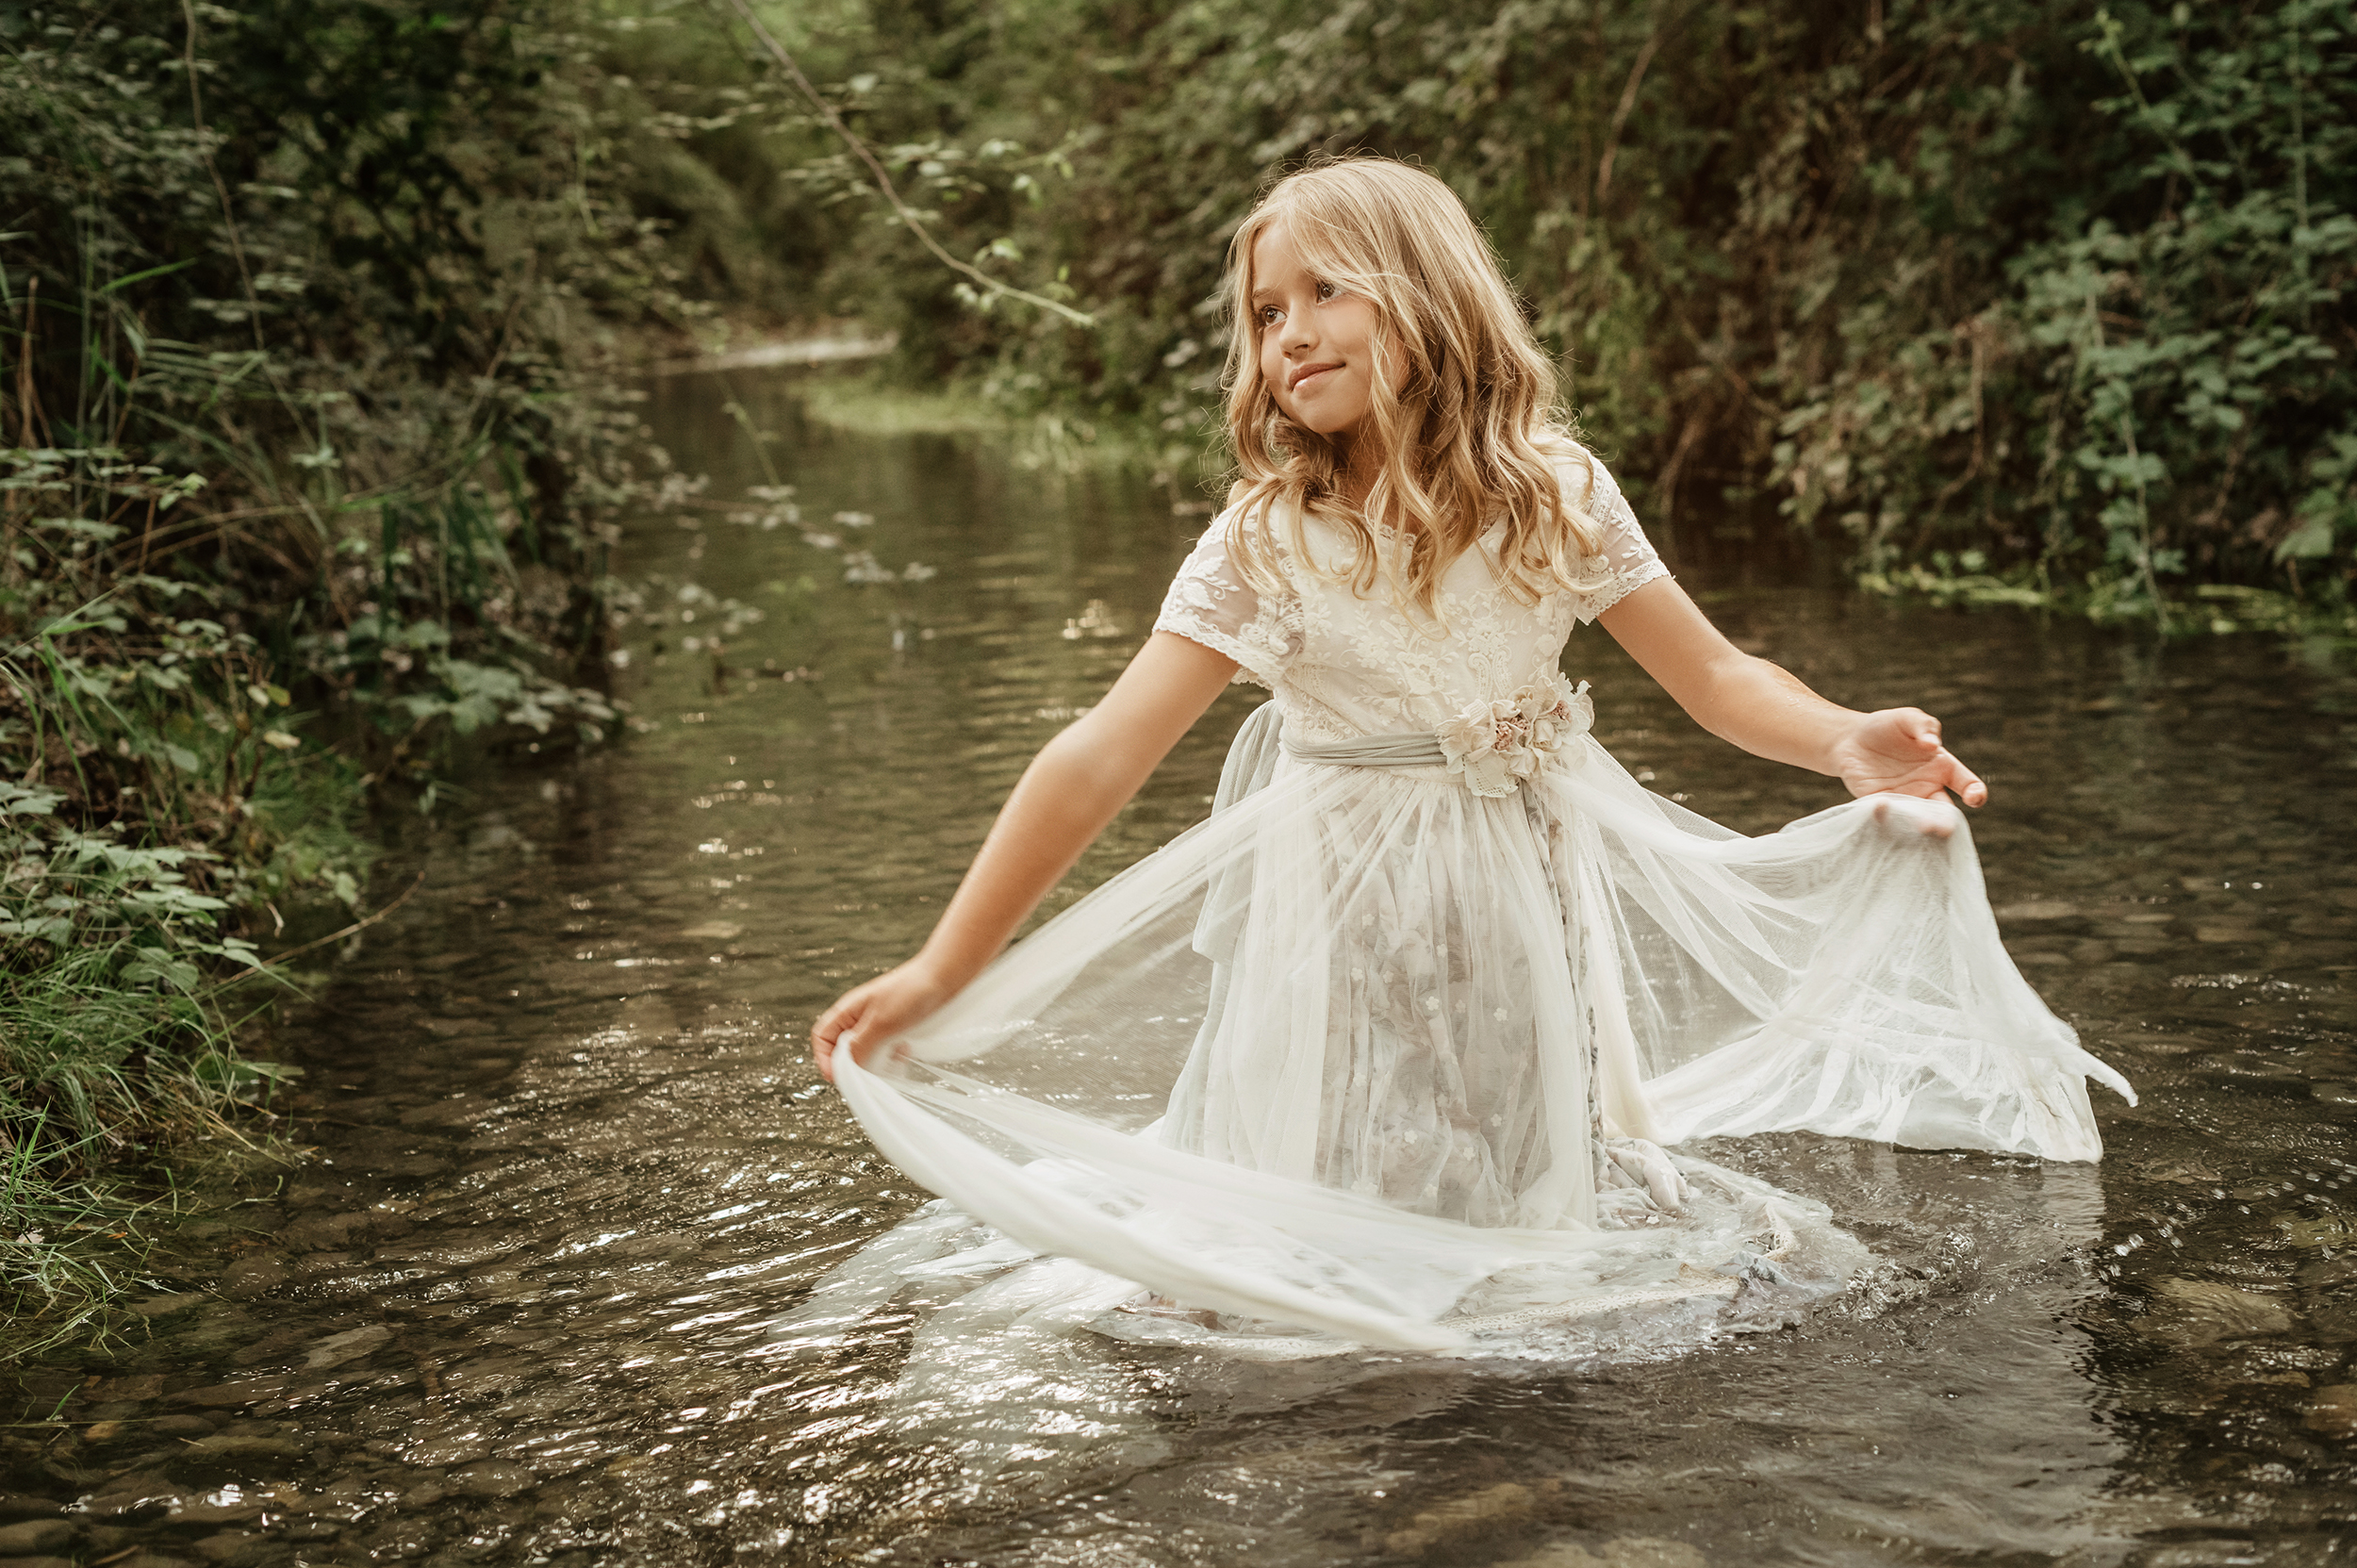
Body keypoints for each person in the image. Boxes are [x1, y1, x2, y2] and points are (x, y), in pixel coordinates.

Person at [791, 158, 2132, 1360]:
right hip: (1337, 906)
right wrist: (941, 967)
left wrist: (1844, 735)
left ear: (1426, 298)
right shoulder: (1268, 539)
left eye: (1325, 292)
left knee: (1511, 1172)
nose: (1289, 333)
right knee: (1331, 1183)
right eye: (1265, 311)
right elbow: (1099, 755)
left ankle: (1502, 1433)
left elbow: (1714, 676)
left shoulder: (1556, 494)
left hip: (1513, 885)